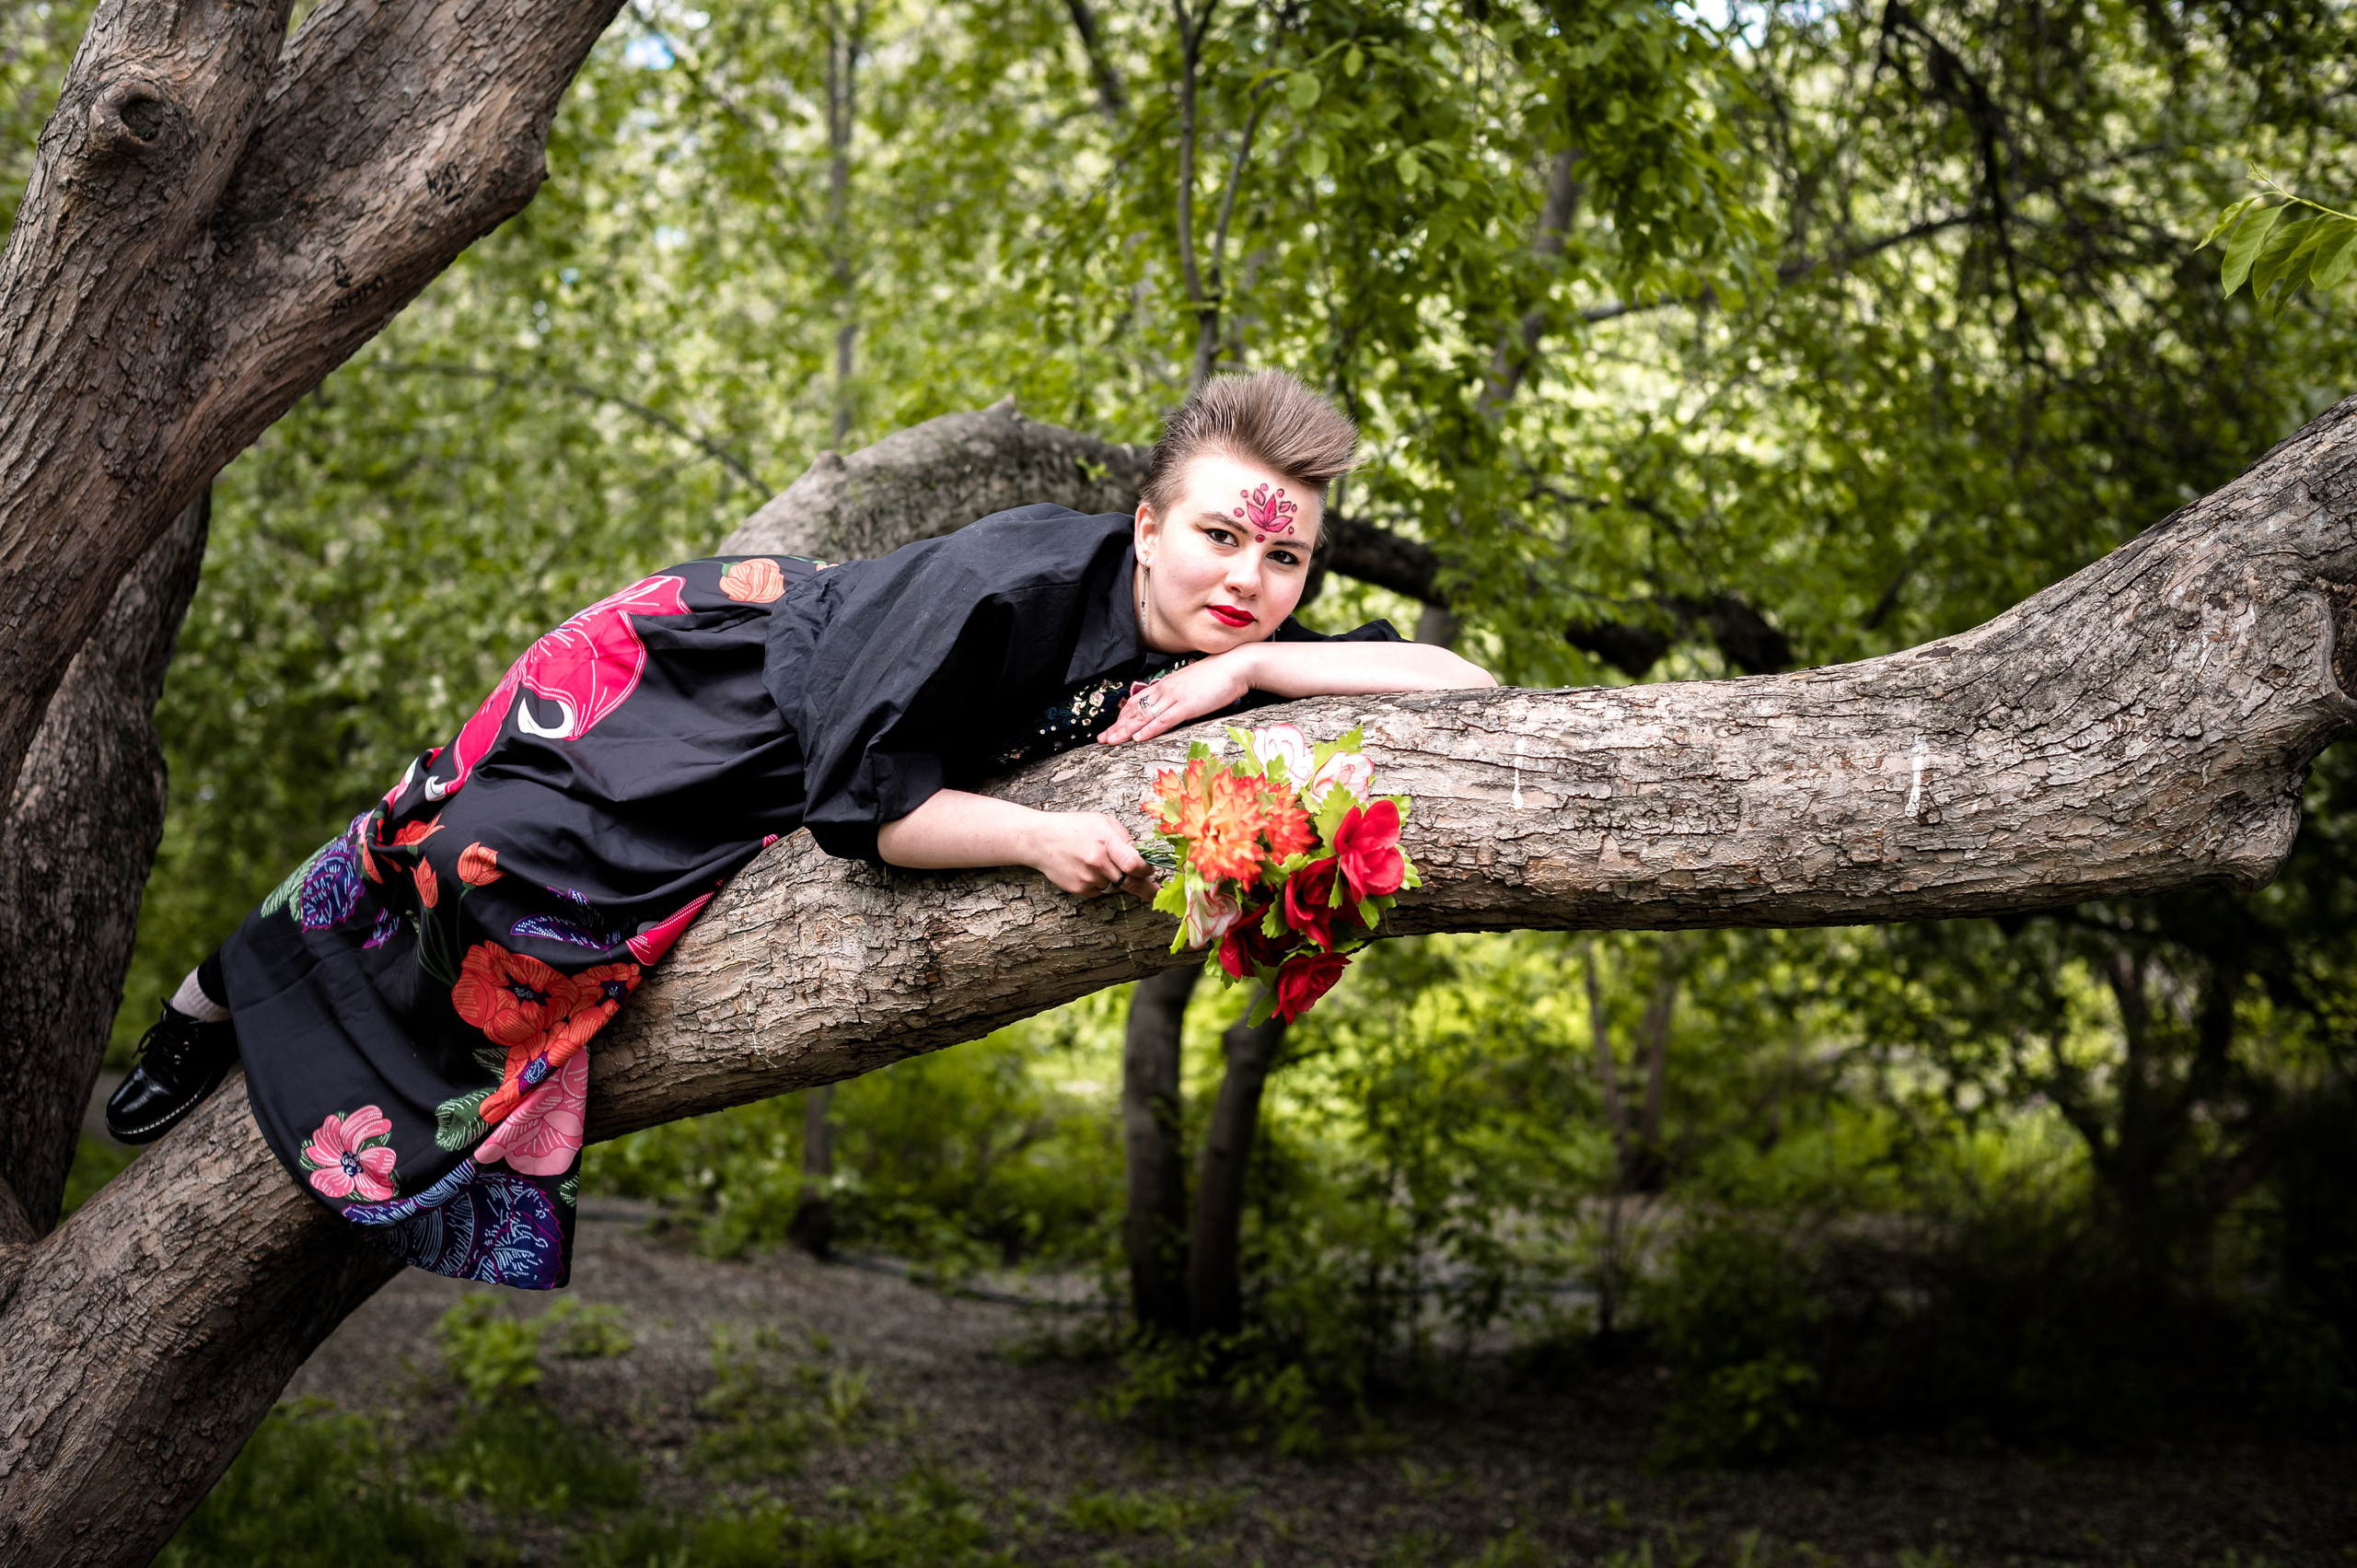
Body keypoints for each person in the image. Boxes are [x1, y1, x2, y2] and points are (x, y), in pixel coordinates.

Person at [105, 370, 1495, 1287]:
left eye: (1286, 557)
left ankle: (297, 1013)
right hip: (700, 691)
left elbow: (1470, 689)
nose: (1250, 579)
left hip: (787, 761)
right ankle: (221, 989)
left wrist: (1251, 671)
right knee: (470, 858)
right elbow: (867, 813)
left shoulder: (1232, 637)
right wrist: (1029, 840)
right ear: (1144, 525)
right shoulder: (1009, 581)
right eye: (1220, 539)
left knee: (530, 944)